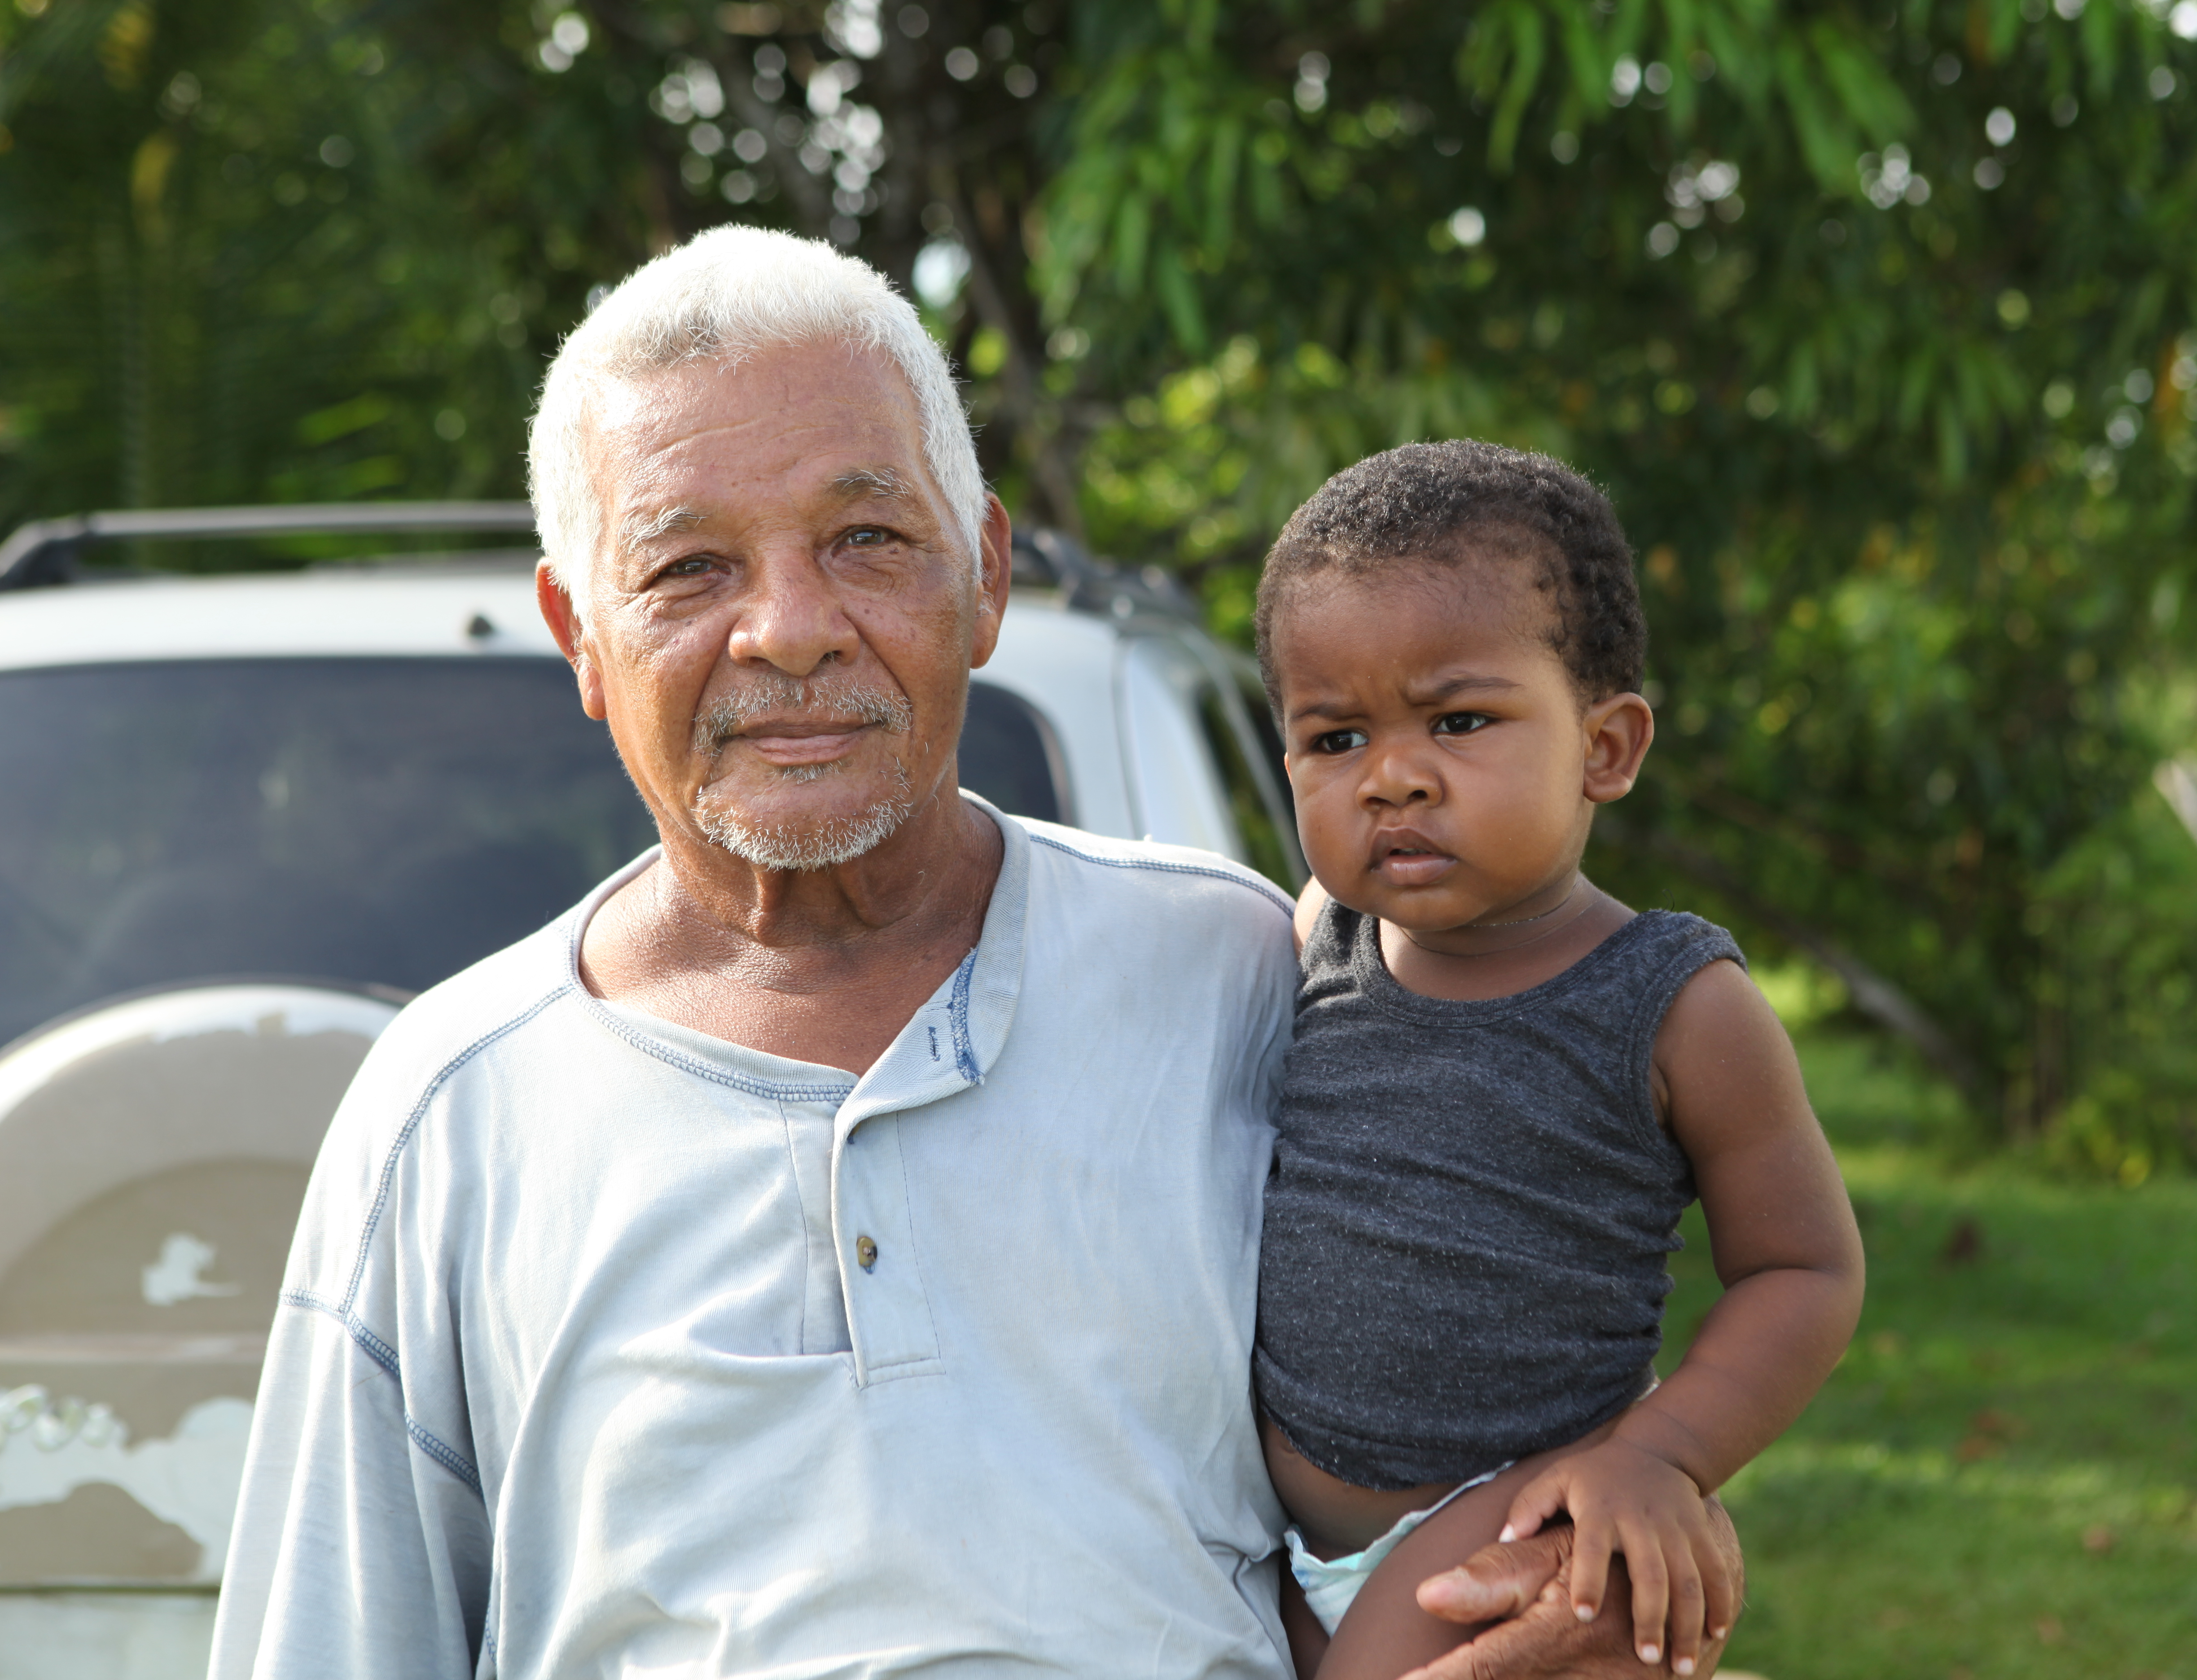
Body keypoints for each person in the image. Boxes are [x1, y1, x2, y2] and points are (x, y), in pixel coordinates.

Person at [207, 228, 1709, 1678]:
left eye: (866, 539)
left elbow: (1520, 1352)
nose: (790, 629)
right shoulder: (451, 1114)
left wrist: (1619, 1542)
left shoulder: (1240, 973)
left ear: (983, 576)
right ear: (580, 637)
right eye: (687, 570)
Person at [1249, 442, 1867, 1678]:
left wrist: (1658, 1456)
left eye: (1460, 721)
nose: (1395, 777)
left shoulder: (1675, 1002)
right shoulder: (1320, 935)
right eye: (1335, 738)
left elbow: (1804, 1268)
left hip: (1511, 1514)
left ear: (1608, 748)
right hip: (1275, 1530)